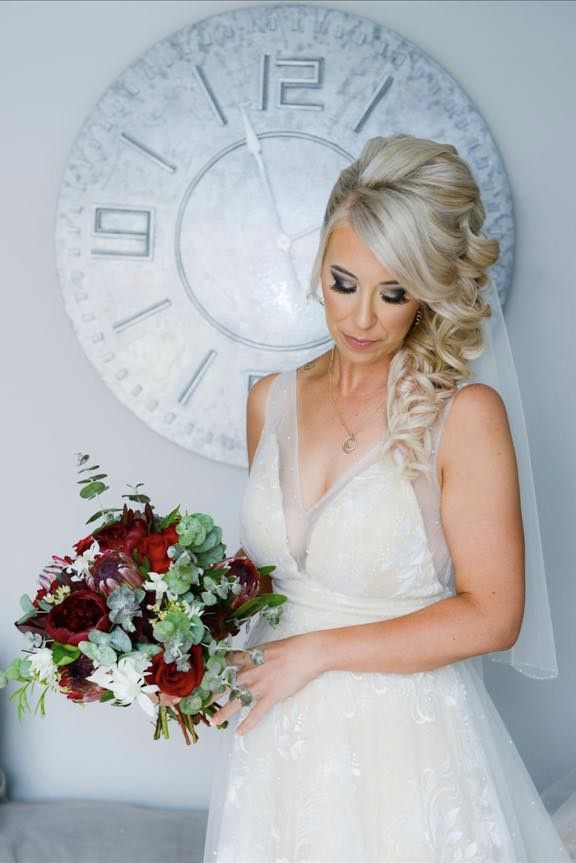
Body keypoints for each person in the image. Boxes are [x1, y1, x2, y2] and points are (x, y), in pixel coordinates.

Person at [202, 135, 571, 862]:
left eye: (393, 292)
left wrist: (318, 652)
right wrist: (186, 655)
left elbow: (494, 615)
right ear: (317, 268)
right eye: (345, 282)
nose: (362, 318)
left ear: (427, 293)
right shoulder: (268, 402)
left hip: (407, 743)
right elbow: (268, 586)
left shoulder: (464, 415)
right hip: (278, 742)